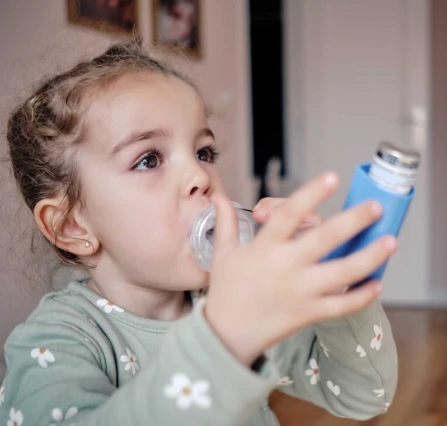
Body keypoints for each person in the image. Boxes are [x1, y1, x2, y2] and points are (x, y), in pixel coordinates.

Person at [0, 41, 398, 426]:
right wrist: (223, 340)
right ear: (71, 227)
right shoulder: (57, 340)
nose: (198, 176)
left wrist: (336, 288)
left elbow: (364, 395)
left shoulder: (228, 295)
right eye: (149, 159)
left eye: (204, 153)